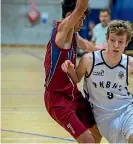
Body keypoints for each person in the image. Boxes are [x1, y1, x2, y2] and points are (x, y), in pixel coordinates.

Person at [61, 20, 133, 143]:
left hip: (127, 111)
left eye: (121, 41)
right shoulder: (89, 59)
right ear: (107, 39)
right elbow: (76, 79)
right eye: (112, 40)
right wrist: (70, 70)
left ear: (127, 43)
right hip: (101, 116)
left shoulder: (132, 63)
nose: (116, 45)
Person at [44, 0, 101, 143]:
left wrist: (111, 52)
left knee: (97, 133)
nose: (82, 23)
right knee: (87, 140)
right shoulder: (62, 30)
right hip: (57, 98)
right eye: (80, 18)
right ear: (70, 16)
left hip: (72, 94)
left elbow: (88, 46)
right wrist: (80, 9)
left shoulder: (74, 35)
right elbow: (81, 5)